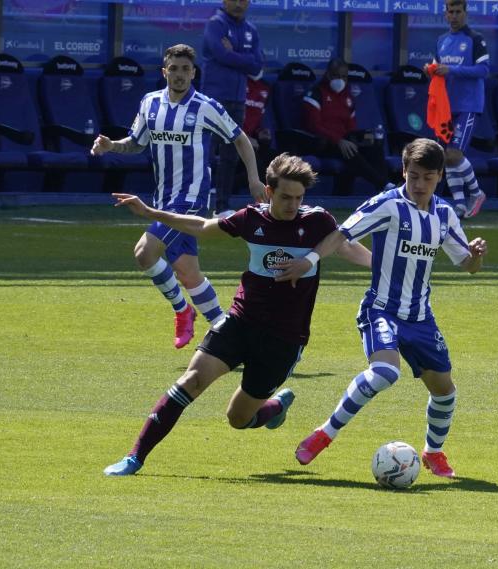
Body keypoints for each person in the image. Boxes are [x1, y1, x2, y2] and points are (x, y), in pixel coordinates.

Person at [103, 153, 372, 476]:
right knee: (191, 380)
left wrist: (383, 267)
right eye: (286, 197)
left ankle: (271, 409)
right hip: (240, 323)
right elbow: (202, 226)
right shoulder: (252, 219)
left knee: (237, 418)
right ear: (269, 192)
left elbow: (345, 246)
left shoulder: (317, 222)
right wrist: (149, 212)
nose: (292, 205)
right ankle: (135, 457)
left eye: (299, 198)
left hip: (284, 339)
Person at [276, 138, 487, 478]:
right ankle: (323, 435)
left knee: (445, 391)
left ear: (440, 177)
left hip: (420, 317)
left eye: (427, 178)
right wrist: (309, 260)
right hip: (381, 310)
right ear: (404, 171)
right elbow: (341, 234)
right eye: (413, 176)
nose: (419, 185)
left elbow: (467, 264)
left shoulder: (445, 214)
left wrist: (476, 257)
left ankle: (433, 452)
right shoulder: (387, 204)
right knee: (386, 372)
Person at [91, 44, 265, 350]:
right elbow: (136, 143)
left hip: (192, 200)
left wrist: (253, 178)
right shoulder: (150, 103)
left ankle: (182, 310)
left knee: (144, 252)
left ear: (194, 73)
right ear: (164, 72)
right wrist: (110, 146)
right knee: (188, 272)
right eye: (174, 69)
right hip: (162, 198)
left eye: (186, 69)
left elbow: (239, 138)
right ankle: (232, 338)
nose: (180, 75)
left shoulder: (205, 106)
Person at [425, 0, 488, 218]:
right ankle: (460, 205)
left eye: (458, 11)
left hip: (468, 105)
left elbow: (483, 70)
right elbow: (438, 68)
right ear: (445, 14)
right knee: (445, 156)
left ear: (465, 13)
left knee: (453, 153)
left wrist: (450, 69)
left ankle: (477, 193)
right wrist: (431, 70)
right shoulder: (441, 41)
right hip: (447, 107)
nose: (454, 15)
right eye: (450, 11)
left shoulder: (475, 39)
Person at [201, 0, 264, 218]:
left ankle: (222, 206)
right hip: (213, 97)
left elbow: (257, 65)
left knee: (231, 154)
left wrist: (235, 54)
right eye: (234, 0)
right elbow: (220, 54)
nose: (239, 4)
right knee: (206, 152)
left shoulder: (250, 30)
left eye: (243, 0)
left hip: (238, 99)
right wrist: (244, 58)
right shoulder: (215, 24)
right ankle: (200, 202)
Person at [302, 58, 390, 196]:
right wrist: (338, 140)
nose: (340, 80)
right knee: (350, 150)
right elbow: (313, 126)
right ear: (328, 74)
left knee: (373, 145)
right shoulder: (315, 94)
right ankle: (383, 184)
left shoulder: (347, 97)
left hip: (344, 140)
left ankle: (383, 190)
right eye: (336, 76)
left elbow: (351, 126)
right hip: (323, 143)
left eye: (344, 77)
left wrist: (357, 140)